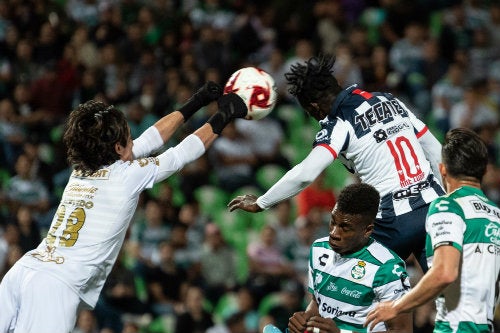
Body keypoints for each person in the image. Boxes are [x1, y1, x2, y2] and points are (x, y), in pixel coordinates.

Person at [0, 80, 248, 332]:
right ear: (117, 148)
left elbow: (151, 138)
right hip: (54, 286)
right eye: (129, 138)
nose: (134, 141)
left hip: (24, 270)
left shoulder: (82, 169)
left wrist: (196, 102)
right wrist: (223, 116)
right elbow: (180, 154)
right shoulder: (126, 176)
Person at [229, 55, 445, 271]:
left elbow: (306, 173)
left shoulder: (338, 124)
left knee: (342, 285)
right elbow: (436, 152)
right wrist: (445, 198)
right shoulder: (389, 100)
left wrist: (262, 202)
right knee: (447, 292)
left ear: (315, 107)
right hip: (434, 207)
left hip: (393, 221)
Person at [365, 128, 500, 333]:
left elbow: (445, 272)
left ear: (442, 170)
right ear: (484, 171)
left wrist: (396, 307)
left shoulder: (447, 206)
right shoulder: (495, 214)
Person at [287, 183, 412, 333]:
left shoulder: (387, 269)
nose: (334, 233)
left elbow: (402, 330)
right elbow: (317, 303)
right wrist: (304, 319)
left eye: (345, 228)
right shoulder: (319, 249)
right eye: (333, 222)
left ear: (367, 230)